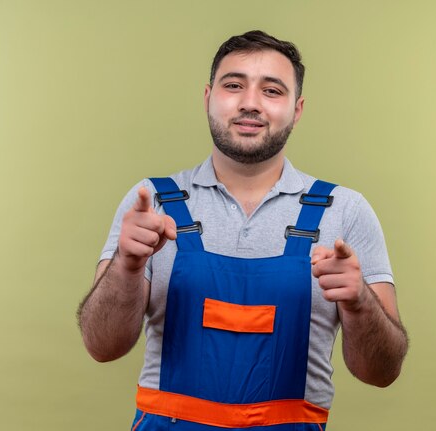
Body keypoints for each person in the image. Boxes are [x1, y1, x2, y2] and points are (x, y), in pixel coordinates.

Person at [78, 30, 408, 430]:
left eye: (272, 91)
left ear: (297, 109)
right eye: (234, 85)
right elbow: (101, 346)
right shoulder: (151, 202)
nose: (250, 103)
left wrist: (359, 303)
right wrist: (127, 266)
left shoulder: (346, 212)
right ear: (208, 97)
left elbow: (382, 371)